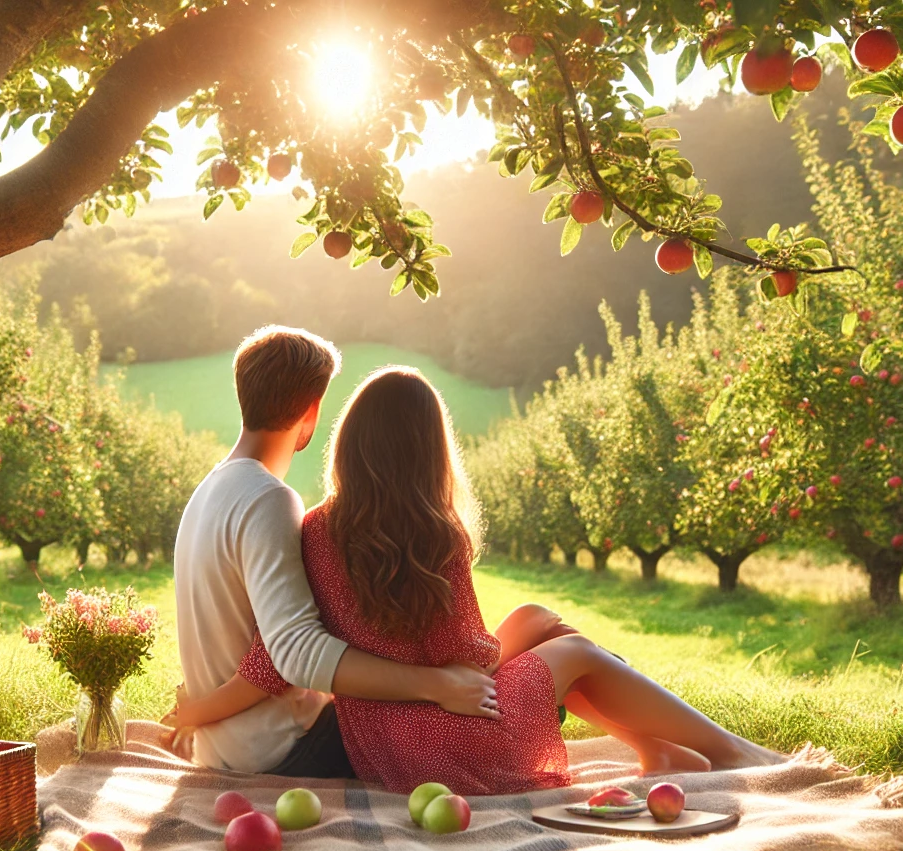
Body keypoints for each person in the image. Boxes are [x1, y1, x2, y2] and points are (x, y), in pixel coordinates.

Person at [173, 366, 785, 795]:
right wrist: (520, 653)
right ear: (430, 451)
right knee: (569, 649)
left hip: (378, 740)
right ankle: (730, 751)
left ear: (349, 446)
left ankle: (653, 747)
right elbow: (465, 662)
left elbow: (278, 656)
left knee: (536, 620)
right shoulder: (437, 535)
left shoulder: (314, 530)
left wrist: (198, 709)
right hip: (447, 737)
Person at [168, 328, 500, 778]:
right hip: (281, 749)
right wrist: (436, 684)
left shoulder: (208, 492)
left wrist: (200, 712)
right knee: (481, 705)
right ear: (312, 409)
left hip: (224, 745)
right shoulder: (268, 500)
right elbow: (294, 653)